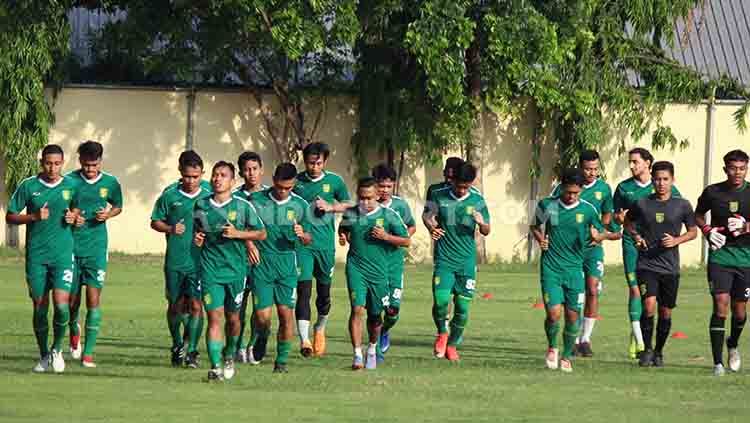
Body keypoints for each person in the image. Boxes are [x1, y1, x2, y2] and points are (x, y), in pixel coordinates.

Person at [6, 144, 78, 373]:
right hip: (36, 256)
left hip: (63, 256)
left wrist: (74, 217)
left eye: (57, 163)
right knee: (39, 306)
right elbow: (11, 216)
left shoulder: (71, 186)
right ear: (42, 163)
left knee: (61, 304)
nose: (52, 168)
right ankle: (44, 354)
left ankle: (57, 349)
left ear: (62, 163)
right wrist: (34, 216)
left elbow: (79, 214)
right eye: (48, 163)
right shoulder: (29, 186)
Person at [193, 161, 266, 381]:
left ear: (232, 181)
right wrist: (198, 239)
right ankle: (215, 366)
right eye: (215, 175)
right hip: (210, 269)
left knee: (233, 319)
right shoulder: (201, 205)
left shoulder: (242, 206)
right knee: (214, 317)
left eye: (223, 175)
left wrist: (239, 235)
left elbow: (261, 233)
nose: (217, 179)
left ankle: (229, 355)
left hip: (235, 271)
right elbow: (199, 232)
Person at [532, 168, 607, 372]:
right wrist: (541, 240)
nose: (571, 196)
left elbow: (604, 233)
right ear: (562, 187)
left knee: (573, 316)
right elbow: (534, 226)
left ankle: (566, 356)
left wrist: (598, 236)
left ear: (581, 190)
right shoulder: (547, 205)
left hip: (575, 270)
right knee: (554, 313)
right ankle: (552, 348)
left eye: (575, 192)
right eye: (568, 192)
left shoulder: (589, 210)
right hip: (551, 268)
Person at [624, 161, 697, 368]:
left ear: (672, 180)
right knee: (648, 305)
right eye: (657, 179)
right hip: (647, 264)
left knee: (665, 311)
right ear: (652, 180)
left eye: (665, 179)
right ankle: (646, 350)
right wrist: (637, 237)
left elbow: (693, 232)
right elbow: (628, 223)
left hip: (670, 267)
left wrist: (676, 241)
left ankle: (659, 351)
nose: (661, 183)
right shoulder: (642, 203)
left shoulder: (682, 205)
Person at [551, 150, 621, 356]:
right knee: (573, 293)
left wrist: (599, 229)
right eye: (588, 169)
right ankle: (571, 338)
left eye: (595, 169)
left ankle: (585, 339)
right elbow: (552, 214)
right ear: (580, 168)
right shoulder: (562, 189)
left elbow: (608, 214)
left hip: (593, 250)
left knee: (592, 289)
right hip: (570, 251)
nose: (592, 173)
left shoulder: (604, 189)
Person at [613, 148, 681, 359]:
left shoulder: (671, 191)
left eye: (635, 162)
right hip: (632, 244)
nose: (632, 166)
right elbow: (617, 217)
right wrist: (620, 218)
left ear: (647, 163)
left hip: (658, 251)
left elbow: (678, 214)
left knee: (656, 304)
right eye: (630, 162)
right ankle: (640, 342)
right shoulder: (624, 188)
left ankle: (646, 340)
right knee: (636, 291)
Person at [339, 177, 411, 370]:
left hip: (379, 271)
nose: (365, 202)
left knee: (375, 316)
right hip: (356, 268)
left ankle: (372, 348)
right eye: (362, 198)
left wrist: (386, 236)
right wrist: (343, 237)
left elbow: (406, 241)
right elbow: (343, 229)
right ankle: (356, 355)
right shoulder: (351, 214)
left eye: (369, 198)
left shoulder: (389, 216)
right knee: (357, 309)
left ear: (377, 195)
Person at [423, 162, 491, 361]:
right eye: (459, 186)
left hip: (466, 262)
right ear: (452, 180)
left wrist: (481, 223)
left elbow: (487, 230)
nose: (462, 190)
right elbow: (427, 216)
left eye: (466, 187)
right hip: (444, 259)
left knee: (462, 307)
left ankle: (453, 344)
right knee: (441, 301)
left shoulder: (478, 200)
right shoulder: (439, 195)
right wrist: (432, 226)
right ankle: (443, 333)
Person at [249, 163, 312, 373]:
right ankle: (262, 336)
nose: (282, 191)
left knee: (286, 315)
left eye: (287, 188)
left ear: (293, 184)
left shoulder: (301, 206)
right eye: (279, 186)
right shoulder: (256, 200)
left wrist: (303, 235)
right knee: (262, 317)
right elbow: (243, 228)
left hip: (287, 266)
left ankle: (281, 361)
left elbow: (309, 239)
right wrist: (250, 244)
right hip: (262, 264)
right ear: (273, 179)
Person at [65, 140, 123, 368]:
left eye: (94, 165)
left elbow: (118, 205)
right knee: (71, 301)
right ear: (80, 161)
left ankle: (88, 354)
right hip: (70, 247)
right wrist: (71, 216)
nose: (90, 169)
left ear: (100, 161)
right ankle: (73, 330)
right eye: (86, 165)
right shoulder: (69, 181)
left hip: (97, 249)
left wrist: (108, 214)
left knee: (93, 299)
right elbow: (62, 207)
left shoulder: (110, 182)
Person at [293, 142, 353, 357]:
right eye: (310, 163)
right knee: (303, 291)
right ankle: (305, 340)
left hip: (325, 247)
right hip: (303, 246)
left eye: (318, 163)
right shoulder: (297, 182)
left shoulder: (334, 181)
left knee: (324, 295)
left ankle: (319, 328)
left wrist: (330, 207)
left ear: (325, 162)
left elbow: (349, 204)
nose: (314, 167)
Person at [151, 150, 209, 368]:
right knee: (175, 306)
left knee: (196, 304)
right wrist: (170, 228)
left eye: (196, 176)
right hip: (175, 261)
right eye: (187, 176)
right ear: (180, 173)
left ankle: (192, 351)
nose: (191, 181)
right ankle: (177, 344)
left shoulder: (210, 194)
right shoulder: (169, 195)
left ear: (202, 174)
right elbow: (155, 221)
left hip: (200, 262)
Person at [695, 149, 750, 376]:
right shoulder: (713, 192)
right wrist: (707, 230)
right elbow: (697, 215)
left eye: (742, 168)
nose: (737, 173)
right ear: (725, 169)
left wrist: (746, 227)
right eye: (733, 168)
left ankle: (733, 343)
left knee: (739, 312)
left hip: (745, 258)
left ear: (746, 168)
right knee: (720, 303)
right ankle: (717, 363)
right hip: (720, 256)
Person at [371, 164, 416, 359]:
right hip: (374, 264)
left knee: (393, 310)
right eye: (381, 186)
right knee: (377, 307)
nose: (385, 190)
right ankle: (375, 349)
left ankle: (384, 331)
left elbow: (411, 228)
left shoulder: (400, 206)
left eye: (389, 187)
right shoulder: (367, 206)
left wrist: (393, 237)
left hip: (394, 264)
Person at [232, 151, 268, 364]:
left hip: (263, 262)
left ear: (261, 170)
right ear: (240, 172)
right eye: (246, 169)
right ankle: (236, 347)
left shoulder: (268, 196)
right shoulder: (234, 197)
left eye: (255, 169)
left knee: (259, 308)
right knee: (238, 308)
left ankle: (252, 346)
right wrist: (248, 242)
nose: (251, 173)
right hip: (238, 260)